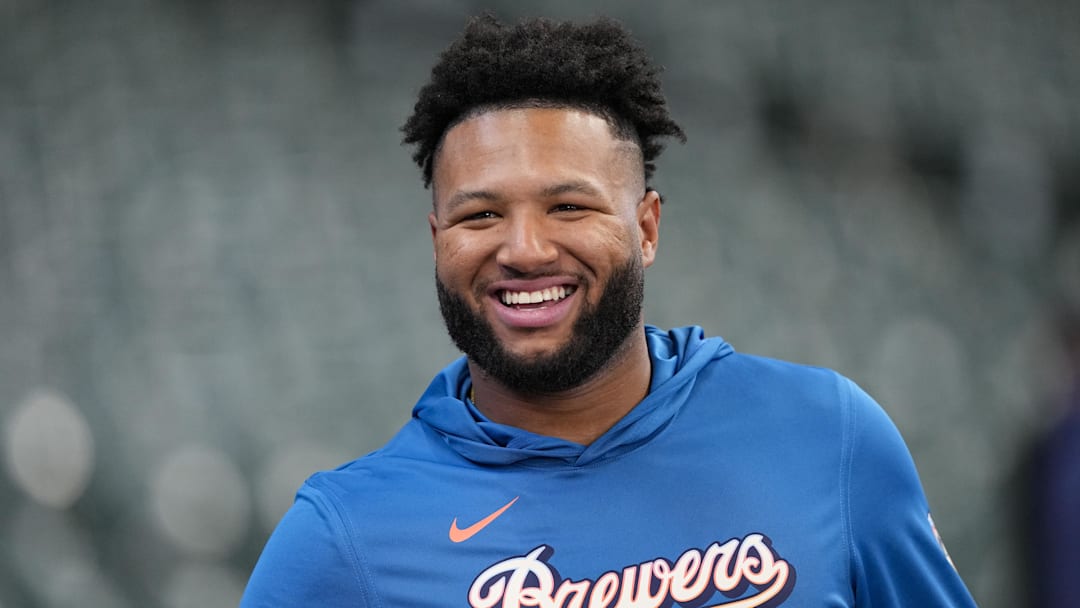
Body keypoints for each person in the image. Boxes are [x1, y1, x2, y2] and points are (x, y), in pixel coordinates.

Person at [241, 15, 978, 607]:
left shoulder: (829, 435)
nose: (524, 249)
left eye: (568, 206)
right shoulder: (345, 542)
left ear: (647, 227)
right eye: (480, 216)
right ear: (438, 241)